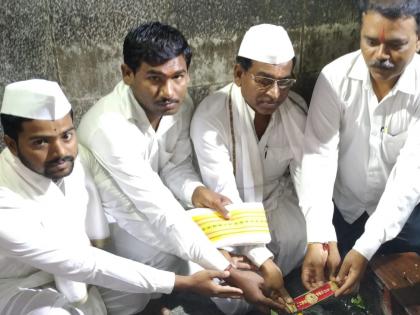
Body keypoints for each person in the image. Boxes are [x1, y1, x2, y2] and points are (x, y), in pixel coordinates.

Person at [77, 22, 282, 313]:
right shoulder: (108, 127)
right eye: (154, 78)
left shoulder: (179, 107)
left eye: (178, 76)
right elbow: (157, 209)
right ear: (127, 74)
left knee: (202, 254)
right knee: (130, 299)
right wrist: (227, 268)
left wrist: (197, 191)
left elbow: (176, 165)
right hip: (116, 230)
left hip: (157, 217)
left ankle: (164, 301)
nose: (169, 91)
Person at [0, 79, 244, 315]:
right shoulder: (3, 197)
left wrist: (214, 259)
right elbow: (80, 262)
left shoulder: (80, 158)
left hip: (84, 273)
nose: (61, 152)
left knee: (149, 266)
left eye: (66, 135)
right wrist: (182, 282)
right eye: (41, 142)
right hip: (19, 286)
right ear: (11, 144)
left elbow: (128, 208)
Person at [300, 0, 420, 297]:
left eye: (396, 45)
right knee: (339, 289)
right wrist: (318, 234)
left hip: (406, 216)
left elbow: (410, 175)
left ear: (418, 41)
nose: (381, 56)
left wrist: (366, 247)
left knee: (403, 289)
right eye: (371, 42)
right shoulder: (335, 77)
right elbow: (318, 156)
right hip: (347, 209)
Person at [191, 24, 308, 313]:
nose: (275, 93)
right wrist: (262, 259)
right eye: (265, 80)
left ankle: (272, 284)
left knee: (300, 237)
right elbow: (224, 195)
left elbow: (305, 177)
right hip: (225, 210)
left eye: (284, 82)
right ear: (238, 74)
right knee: (230, 270)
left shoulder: (295, 109)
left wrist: (321, 237)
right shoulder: (211, 116)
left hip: (272, 199)